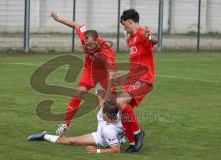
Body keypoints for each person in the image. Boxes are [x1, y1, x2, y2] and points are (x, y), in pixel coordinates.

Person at [49, 11, 117, 135]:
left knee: (103, 104)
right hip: (89, 70)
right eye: (86, 45)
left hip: (103, 75)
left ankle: (111, 130)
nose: (88, 48)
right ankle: (65, 124)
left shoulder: (106, 51)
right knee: (78, 94)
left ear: (97, 40)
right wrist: (58, 19)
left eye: (91, 45)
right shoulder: (86, 38)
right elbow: (76, 25)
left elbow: (112, 73)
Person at [116, 9, 158, 153]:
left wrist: (149, 36)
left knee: (120, 102)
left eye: (124, 25)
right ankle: (133, 143)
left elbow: (154, 40)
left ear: (130, 21)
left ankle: (138, 133)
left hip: (144, 79)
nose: (124, 28)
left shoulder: (141, 33)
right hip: (133, 80)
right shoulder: (133, 37)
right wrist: (127, 38)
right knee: (123, 111)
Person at [28, 101, 125, 154]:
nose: (102, 114)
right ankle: (44, 136)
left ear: (108, 115)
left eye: (104, 113)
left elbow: (116, 150)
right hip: (104, 131)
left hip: (101, 138)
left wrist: (97, 151)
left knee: (70, 141)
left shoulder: (109, 131)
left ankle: (44, 136)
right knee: (71, 141)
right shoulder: (119, 115)